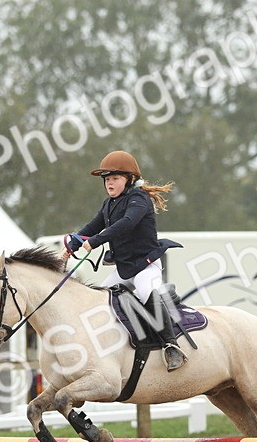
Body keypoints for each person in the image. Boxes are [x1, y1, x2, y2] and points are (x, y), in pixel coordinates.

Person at [59, 150, 186, 370]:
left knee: (145, 290)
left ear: (130, 180)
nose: (109, 183)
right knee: (100, 299)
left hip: (146, 265)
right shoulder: (108, 204)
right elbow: (91, 227)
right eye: (107, 179)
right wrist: (73, 245)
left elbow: (126, 224)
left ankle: (171, 345)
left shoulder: (139, 200)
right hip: (126, 268)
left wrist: (96, 241)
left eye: (115, 178)